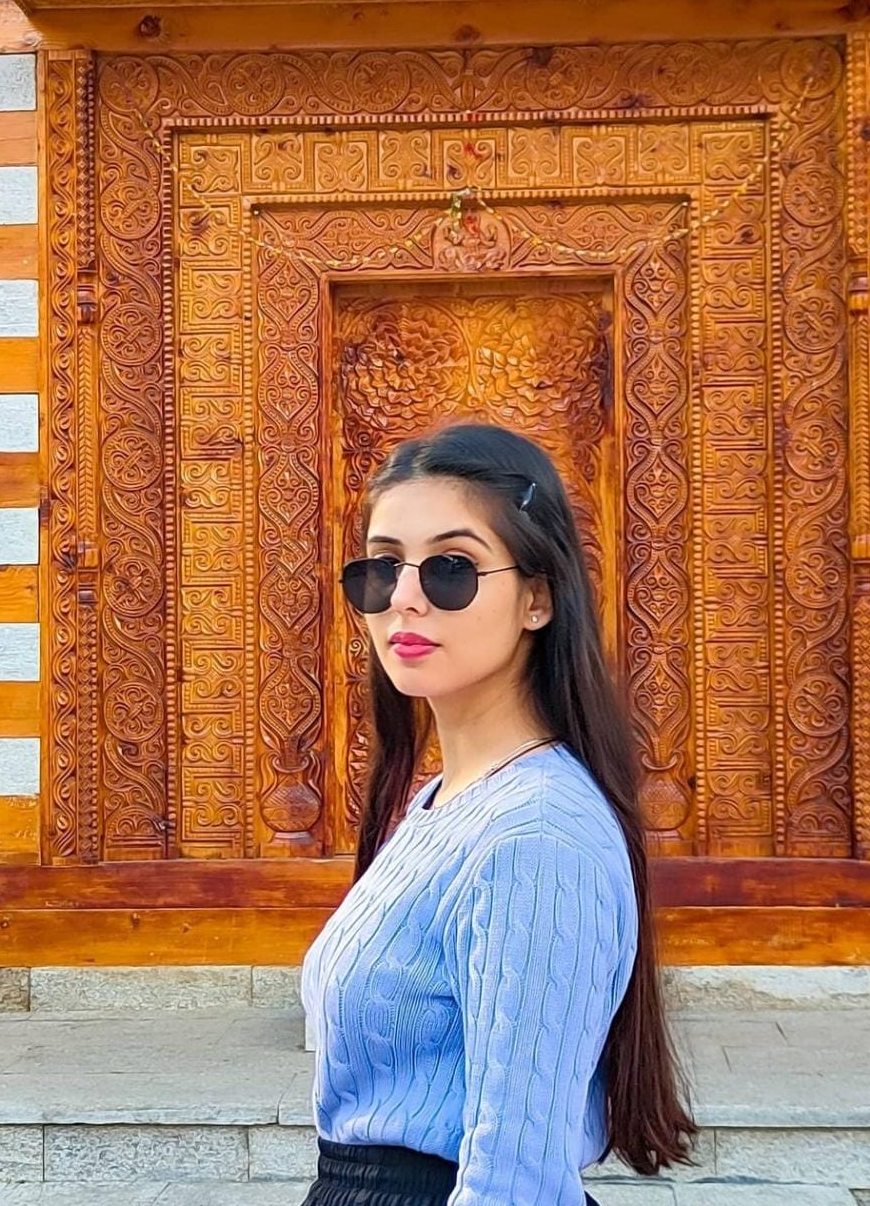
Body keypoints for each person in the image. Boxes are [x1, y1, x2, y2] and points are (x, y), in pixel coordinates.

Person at [299, 419, 698, 1206]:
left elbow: (516, 1178)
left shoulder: (535, 835)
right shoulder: (442, 803)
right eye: (382, 567)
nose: (404, 598)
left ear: (537, 598)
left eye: (451, 568)